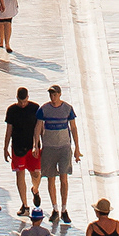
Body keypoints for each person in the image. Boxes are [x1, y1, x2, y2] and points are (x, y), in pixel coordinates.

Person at [33, 86, 81, 225]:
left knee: (64, 177)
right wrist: (35, 144)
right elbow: (38, 127)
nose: (52, 97)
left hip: (64, 147)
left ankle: (64, 208)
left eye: (54, 94)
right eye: (51, 94)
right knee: (50, 178)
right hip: (49, 147)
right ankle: (55, 208)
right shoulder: (44, 109)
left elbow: (73, 127)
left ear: (59, 94)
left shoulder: (67, 108)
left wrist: (77, 148)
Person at [4, 89, 41, 216]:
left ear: (28, 98)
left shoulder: (35, 108)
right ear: (17, 99)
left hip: (33, 146)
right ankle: (25, 205)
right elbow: (9, 130)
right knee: (20, 175)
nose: (23, 104)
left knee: (36, 174)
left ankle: (35, 190)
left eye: (25, 101)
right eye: (20, 101)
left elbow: (40, 127)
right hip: (18, 146)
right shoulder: (12, 110)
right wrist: (5, 147)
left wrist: (39, 144)